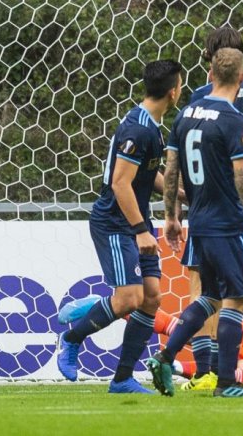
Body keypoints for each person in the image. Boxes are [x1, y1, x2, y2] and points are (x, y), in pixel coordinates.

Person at [147, 47, 243, 399]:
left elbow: (172, 170)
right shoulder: (234, 120)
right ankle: (227, 384)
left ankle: (165, 357)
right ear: (242, 77)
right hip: (228, 224)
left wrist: (171, 216)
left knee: (210, 297)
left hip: (199, 222)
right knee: (236, 298)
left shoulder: (185, 115)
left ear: (210, 75)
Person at [56, 60, 184, 394]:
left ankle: (122, 378)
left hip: (135, 220)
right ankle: (71, 338)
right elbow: (120, 183)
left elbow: (146, 175)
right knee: (129, 298)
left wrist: (177, 192)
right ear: (174, 91)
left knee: (151, 299)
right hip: (116, 222)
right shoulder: (138, 129)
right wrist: (141, 230)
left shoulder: (151, 125)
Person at [181, 26, 243, 391]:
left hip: (205, 203)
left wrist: (186, 197)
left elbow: (185, 156)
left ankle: (204, 371)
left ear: (211, 59)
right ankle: (221, 373)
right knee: (233, 289)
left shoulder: (200, 98)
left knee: (202, 287)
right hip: (238, 205)